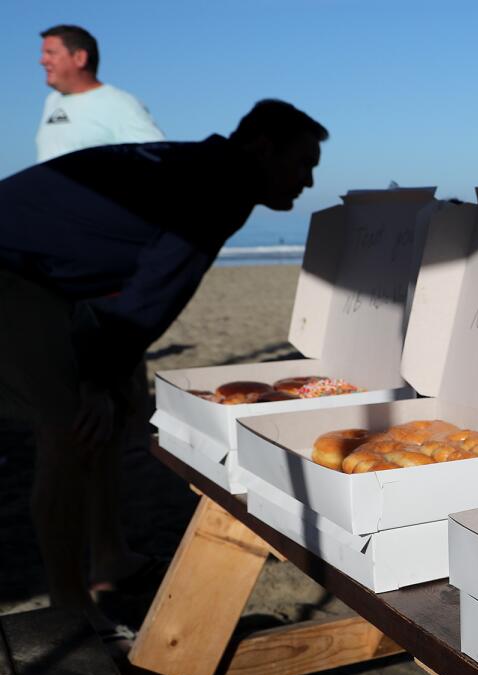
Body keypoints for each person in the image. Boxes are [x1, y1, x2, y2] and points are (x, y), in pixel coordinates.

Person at [0, 99, 326, 644]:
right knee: (69, 427)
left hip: (54, 280)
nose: (308, 180)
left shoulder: (204, 167)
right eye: (303, 163)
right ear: (262, 147)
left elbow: (139, 292)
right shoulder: (218, 183)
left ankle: (110, 556)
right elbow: (157, 292)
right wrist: (95, 381)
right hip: (12, 270)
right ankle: (69, 610)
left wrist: (108, 377)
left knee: (119, 397)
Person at [36, 24, 165, 163]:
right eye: (43, 54)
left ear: (80, 58)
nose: (42, 61)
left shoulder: (120, 104)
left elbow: (157, 158)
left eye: (51, 53)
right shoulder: (52, 101)